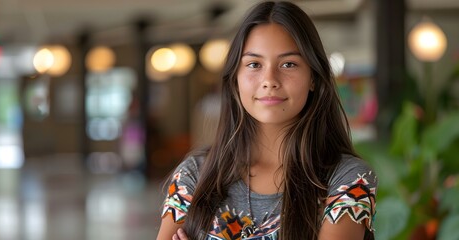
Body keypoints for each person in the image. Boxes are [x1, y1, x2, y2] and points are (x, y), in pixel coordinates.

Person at [156, 1, 377, 239]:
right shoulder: (194, 176)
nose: (269, 79)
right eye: (254, 64)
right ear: (235, 80)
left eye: (288, 64)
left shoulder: (347, 180)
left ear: (313, 77)